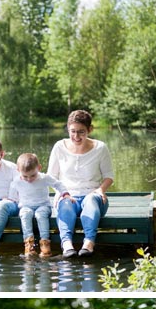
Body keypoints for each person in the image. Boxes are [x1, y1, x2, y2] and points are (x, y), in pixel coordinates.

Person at [47, 109, 114, 257]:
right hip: (68, 194)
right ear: (68, 128)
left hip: (93, 195)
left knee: (90, 200)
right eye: (73, 131)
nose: (76, 136)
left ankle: (89, 243)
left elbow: (109, 176)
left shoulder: (100, 148)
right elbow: (51, 177)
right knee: (65, 203)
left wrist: (100, 190)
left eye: (81, 132)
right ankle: (67, 245)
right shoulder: (59, 147)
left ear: (90, 129)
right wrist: (62, 192)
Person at [6, 152, 63, 258]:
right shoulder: (17, 181)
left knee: (40, 215)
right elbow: (12, 195)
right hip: (26, 206)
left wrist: (64, 194)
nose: (29, 179)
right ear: (18, 171)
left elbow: (58, 184)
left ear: (39, 168)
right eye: (25, 176)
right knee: (25, 214)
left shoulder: (44, 178)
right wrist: (10, 199)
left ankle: (45, 243)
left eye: (33, 175)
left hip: (43, 205)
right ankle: (29, 244)